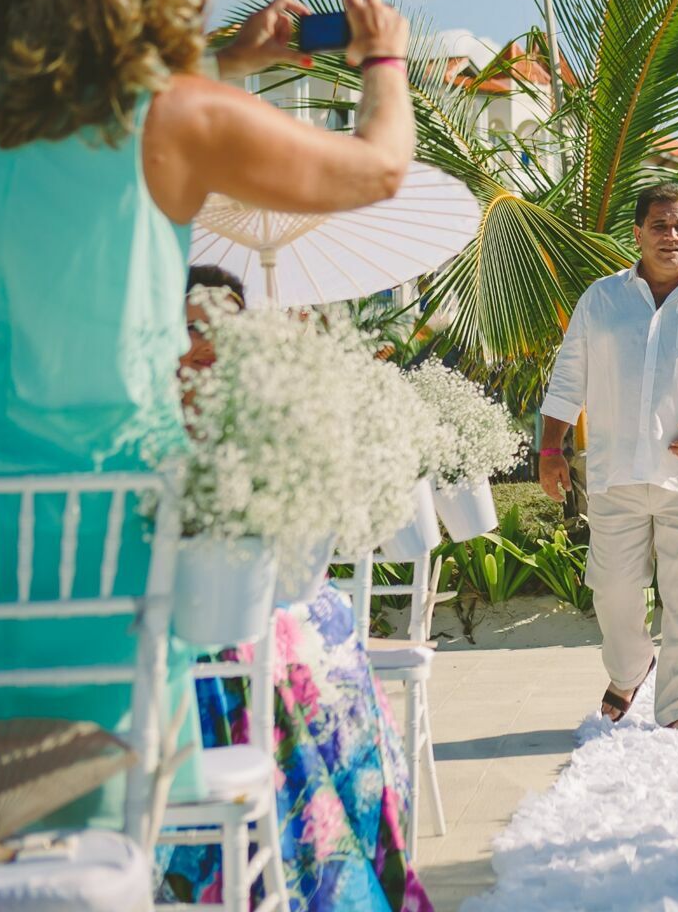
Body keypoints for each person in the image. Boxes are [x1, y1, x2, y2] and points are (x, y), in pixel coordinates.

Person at [0, 0, 415, 782]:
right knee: (137, 748)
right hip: (92, 535)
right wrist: (384, 61)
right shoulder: (184, 114)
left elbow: (45, 111)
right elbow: (379, 168)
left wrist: (225, 61)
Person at [164, 279, 429, 910]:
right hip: (176, 625)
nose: (203, 349)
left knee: (297, 655)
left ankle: (305, 855)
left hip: (265, 608)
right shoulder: (143, 419)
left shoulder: (269, 418)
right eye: (189, 331)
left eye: (221, 333)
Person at [538, 183, 678, 739]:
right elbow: (569, 376)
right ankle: (631, 666)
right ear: (637, 233)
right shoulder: (601, 300)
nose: (671, 236)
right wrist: (550, 448)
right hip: (615, 471)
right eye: (659, 225)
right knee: (611, 589)